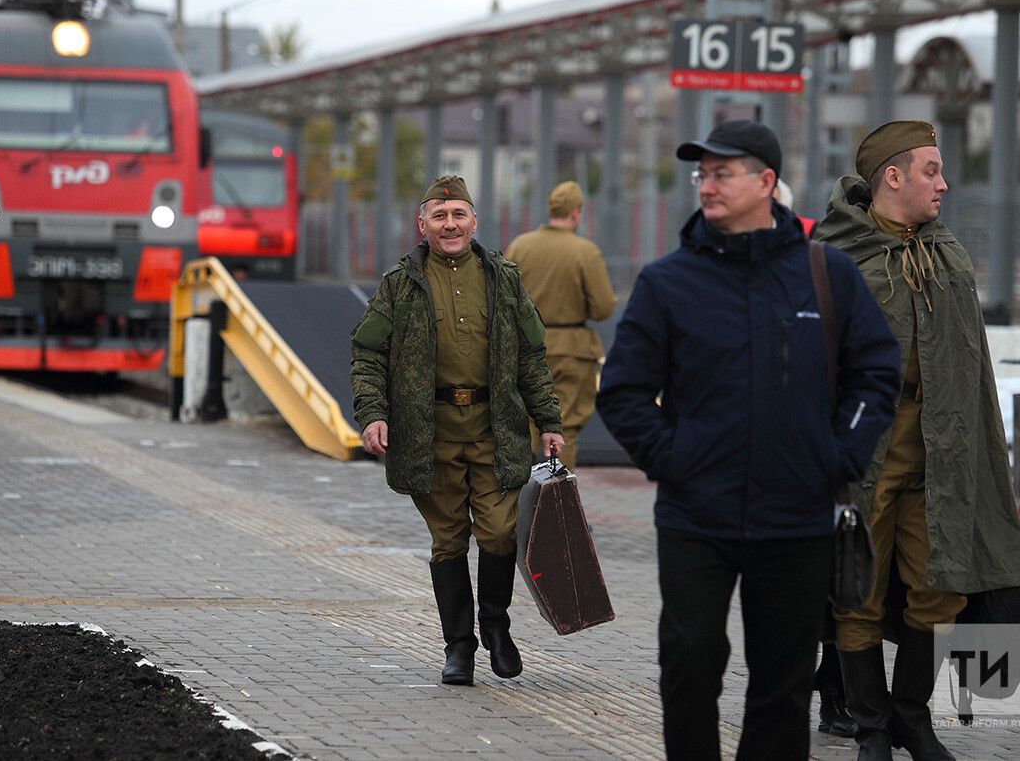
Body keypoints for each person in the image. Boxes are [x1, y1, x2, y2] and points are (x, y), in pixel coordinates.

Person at [596, 119, 900, 760]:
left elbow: (875, 375)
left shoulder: (828, 273)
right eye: (701, 173)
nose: (707, 184)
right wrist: (673, 458)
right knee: (689, 663)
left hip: (796, 518)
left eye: (722, 172)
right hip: (696, 516)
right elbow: (622, 393)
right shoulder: (667, 281)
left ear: (765, 182)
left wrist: (837, 453)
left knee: (783, 684)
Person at [814, 120, 1020, 761]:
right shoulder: (835, 260)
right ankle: (872, 729)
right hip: (863, 460)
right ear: (893, 176)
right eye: (931, 171)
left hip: (944, 456)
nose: (944, 185)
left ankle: (914, 718)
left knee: (943, 584)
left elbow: (973, 369)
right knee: (855, 590)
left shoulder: (948, 258)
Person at [350, 175, 565, 687]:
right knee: (448, 541)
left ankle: (495, 624)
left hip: (496, 428)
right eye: (439, 216)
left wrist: (549, 420)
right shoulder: (399, 285)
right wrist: (373, 413)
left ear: (475, 221)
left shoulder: (504, 279)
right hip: (430, 435)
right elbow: (368, 353)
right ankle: (458, 647)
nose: (450, 225)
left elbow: (531, 357)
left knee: (497, 532)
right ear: (422, 224)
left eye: (459, 215)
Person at [774, 178, 856, 740]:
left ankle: (844, 698)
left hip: (834, 452)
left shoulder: (821, 260)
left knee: (848, 584)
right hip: (802, 457)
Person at [504, 180, 617, 469]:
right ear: (576, 213)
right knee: (565, 425)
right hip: (572, 350)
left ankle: (519, 501)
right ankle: (560, 502)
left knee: (527, 422)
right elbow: (603, 308)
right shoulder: (585, 251)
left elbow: (503, 298)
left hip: (526, 347)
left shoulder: (520, 246)